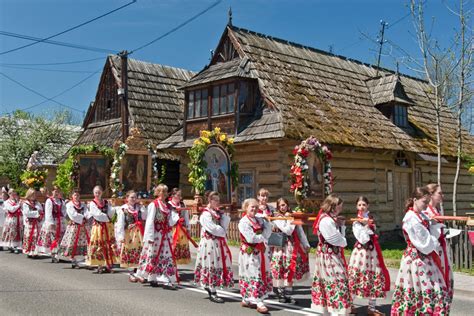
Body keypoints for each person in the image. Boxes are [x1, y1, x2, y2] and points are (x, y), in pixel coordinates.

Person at [391, 187, 450, 315]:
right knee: (421, 292)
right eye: (424, 202)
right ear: (415, 200)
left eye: (428, 201)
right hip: (416, 261)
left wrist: (433, 223)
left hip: (425, 259)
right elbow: (426, 245)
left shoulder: (421, 215)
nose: (425, 205)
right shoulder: (411, 219)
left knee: (436, 291)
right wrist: (436, 229)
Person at [310, 194, 353, 315]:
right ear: (333, 206)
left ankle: (335, 309)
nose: (341, 208)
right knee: (337, 281)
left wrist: (341, 226)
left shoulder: (329, 219)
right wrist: (343, 234)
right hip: (329, 256)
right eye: (340, 206)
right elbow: (338, 241)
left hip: (330, 254)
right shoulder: (326, 221)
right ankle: (335, 310)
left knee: (334, 281)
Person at [347, 196, 390, 316]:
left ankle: (371, 307)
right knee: (357, 278)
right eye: (359, 205)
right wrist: (366, 227)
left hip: (372, 253)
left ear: (368, 206)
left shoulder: (370, 218)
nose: (361, 207)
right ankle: (350, 304)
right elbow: (363, 239)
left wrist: (371, 227)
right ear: (356, 207)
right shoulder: (356, 222)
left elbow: (375, 234)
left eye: (364, 205)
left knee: (374, 278)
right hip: (361, 254)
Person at [135, 184, 179, 289]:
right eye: (161, 191)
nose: (164, 194)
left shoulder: (168, 206)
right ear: (158, 192)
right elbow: (150, 221)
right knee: (153, 255)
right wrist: (149, 237)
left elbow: (170, 221)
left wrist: (176, 216)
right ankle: (152, 277)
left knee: (165, 255)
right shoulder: (154, 205)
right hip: (156, 234)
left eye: (165, 191)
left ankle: (165, 277)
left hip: (166, 235)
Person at [194, 191, 233, 303]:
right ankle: (212, 290)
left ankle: (211, 286)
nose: (217, 202)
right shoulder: (206, 214)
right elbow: (213, 229)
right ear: (209, 201)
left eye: (218, 200)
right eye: (215, 200)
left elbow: (223, 225)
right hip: (209, 243)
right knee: (211, 265)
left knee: (218, 264)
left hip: (217, 243)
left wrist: (223, 217)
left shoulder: (217, 212)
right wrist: (222, 230)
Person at [271, 198, 310, 304]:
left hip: (292, 247)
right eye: (280, 206)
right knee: (280, 270)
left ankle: (288, 294)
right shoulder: (277, 218)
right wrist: (289, 219)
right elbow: (288, 230)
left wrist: (306, 244)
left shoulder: (292, 216)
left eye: (284, 205)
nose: (282, 207)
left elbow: (300, 231)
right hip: (280, 247)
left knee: (290, 270)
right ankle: (281, 294)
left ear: (288, 205)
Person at [238, 198, 273, 314]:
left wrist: (267, 223)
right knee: (253, 273)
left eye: (255, 207)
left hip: (260, 251)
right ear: (246, 208)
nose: (254, 209)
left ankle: (247, 298)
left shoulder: (259, 219)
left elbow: (268, 231)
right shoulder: (243, 222)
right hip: (250, 252)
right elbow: (251, 238)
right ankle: (258, 300)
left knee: (260, 272)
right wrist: (263, 237)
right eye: (251, 207)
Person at [423, 183, 453, 309]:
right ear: (431, 195)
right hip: (432, 250)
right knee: (435, 282)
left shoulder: (437, 210)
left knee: (445, 277)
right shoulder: (427, 211)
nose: (442, 195)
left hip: (440, 248)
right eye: (439, 193)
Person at [86, 185, 118, 273]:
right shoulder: (92, 203)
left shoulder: (106, 202)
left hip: (107, 226)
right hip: (98, 226)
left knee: (108, 244)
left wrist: (112, 209)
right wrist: (107, 218)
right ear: (93, 193)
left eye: (99, 192)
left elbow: (111, 211)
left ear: (102, 192)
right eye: (96, 192)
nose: (97, 194)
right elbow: (96, 214)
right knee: (99, 245)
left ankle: (108, 265)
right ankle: (99, 265)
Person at [116, 190, 146, 281]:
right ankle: (132, 273)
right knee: (131, 252)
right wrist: (120, 236)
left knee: (140, 252)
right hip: (129, 234)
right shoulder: (123, 209)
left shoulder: (140, 207)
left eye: (135, 197)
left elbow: (145, 217)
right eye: (131, 197)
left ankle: (138, 272)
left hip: (140, 233)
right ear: (127, 198)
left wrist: (143, 207)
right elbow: (120, 223)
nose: (133, 199)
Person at [57, 189, 90, 266]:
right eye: (75, 195)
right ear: (72, 196)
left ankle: (82, 258)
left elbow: (87, 213)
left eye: (78, 195)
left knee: (82, 242)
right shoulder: (69, 205)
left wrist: (86, 217)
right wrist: (83, 218)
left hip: (83, 226)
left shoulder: (83, 205)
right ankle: (73, 258)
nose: (76, 196)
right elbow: (72, 215)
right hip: (74, 227)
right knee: (72, 241)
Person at [36, 186, 67, 262]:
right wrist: (51, 223)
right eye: (55, 191)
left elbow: (64, 210)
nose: (56, 193)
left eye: (58, 191)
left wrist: (63, 217)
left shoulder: (61, 201)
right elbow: (48, 212)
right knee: (53, 237)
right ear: (52, 192)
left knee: (60, 237)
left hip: (60, 221)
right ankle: (53, 254)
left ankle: (57, 253)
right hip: (53, 221)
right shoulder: (49, 201)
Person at [168, 188, 192, 265]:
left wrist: (188, 228)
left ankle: (175, 267)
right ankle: (171, 266)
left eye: (180, 195)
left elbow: (186, 217)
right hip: (172, 229)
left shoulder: (182, 204)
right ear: (172, 195)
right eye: (178, 195)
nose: (179, 197)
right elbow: (168, 218)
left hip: (182, 229)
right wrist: (177, 219)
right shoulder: (169, 204)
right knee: (172, 247)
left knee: (180, 247)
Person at [22, 188, 44, 258]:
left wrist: (39, 214)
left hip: (37, 222)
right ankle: (29, 251)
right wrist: (37, 212)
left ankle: (35, 252)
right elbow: (27, 213)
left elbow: (41, 211)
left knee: (36, 236)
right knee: (30, 236)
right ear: (29, 195)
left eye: (35, 194)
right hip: (30, 223)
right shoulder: (25, 203)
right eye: (32, 194)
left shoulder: (37, 203)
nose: (34, 196)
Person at [1, 189, 22, 253]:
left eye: (14, 194)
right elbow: (11, 209)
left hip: (17, 218)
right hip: (11, 219)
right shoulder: (7, 202)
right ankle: (12, 246)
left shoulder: (17, 201)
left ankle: (16, 245)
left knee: (17, 232)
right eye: (12, 194)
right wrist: (19, 205)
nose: (13, 195)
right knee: (11, 232)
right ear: (9, 194)